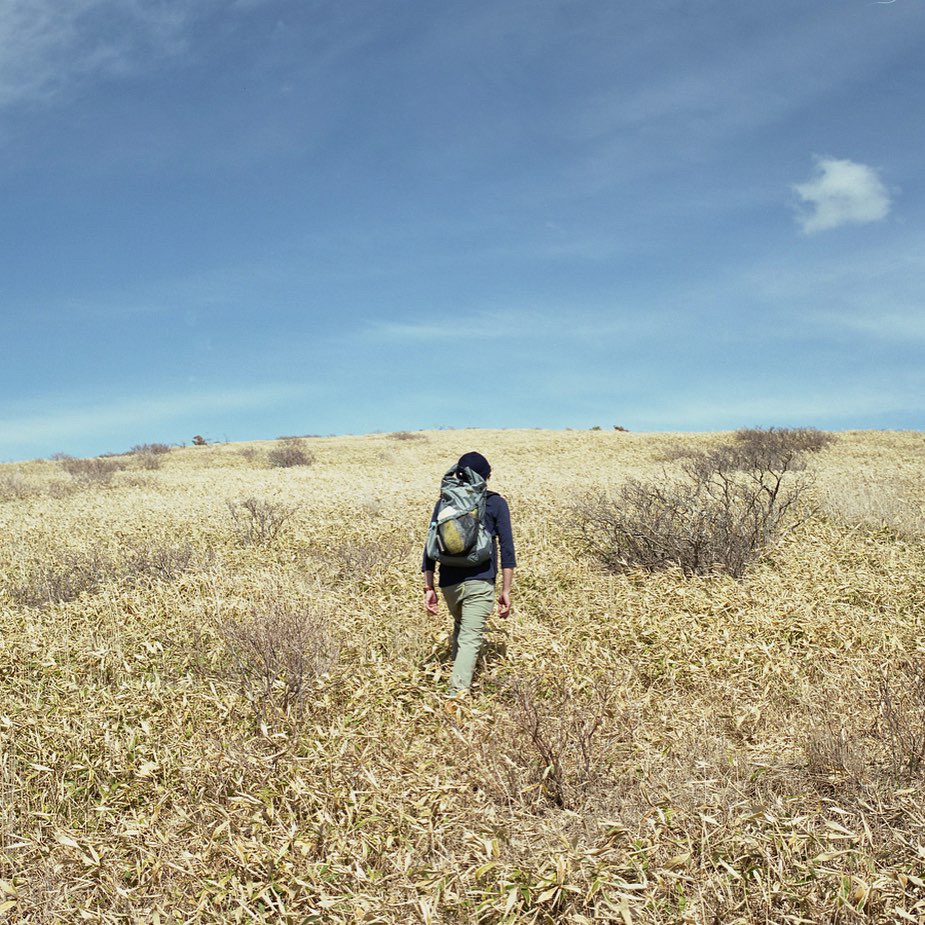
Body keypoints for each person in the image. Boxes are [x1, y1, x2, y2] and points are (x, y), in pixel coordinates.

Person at [422, 451, 516, 701]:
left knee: (462, 628)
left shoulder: (444, 502)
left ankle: (453, 675)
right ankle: (456, 699)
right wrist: (506, 591)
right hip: (480, 580)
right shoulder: (496, 503)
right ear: (486, 477)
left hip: (448, 584)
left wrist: (428, 587)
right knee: (471, 638)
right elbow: (507, 550)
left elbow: (429, 545)